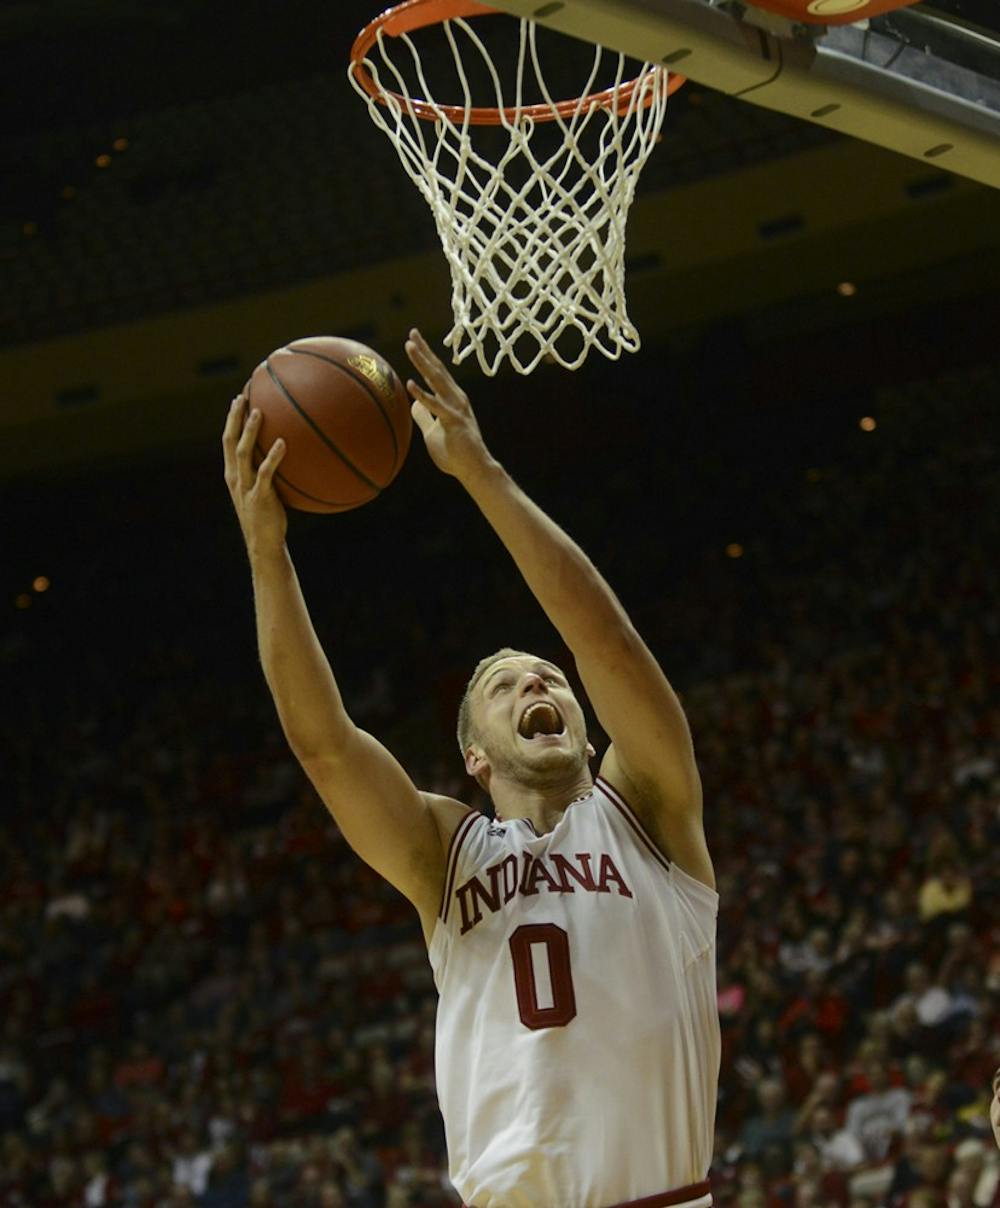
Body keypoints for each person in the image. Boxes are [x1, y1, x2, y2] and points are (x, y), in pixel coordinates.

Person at [222, 328, 720, 1208]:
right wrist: (268, 554)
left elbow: (600, 637)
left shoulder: (651, 807)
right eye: (504, 684)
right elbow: (325, 745)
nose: (536, 678)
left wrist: (483, 475)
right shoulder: (443, 853)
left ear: (587, 725)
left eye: (550, 679)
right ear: (474, 758)